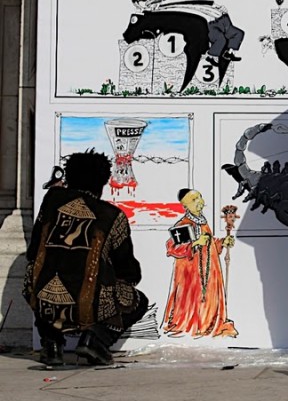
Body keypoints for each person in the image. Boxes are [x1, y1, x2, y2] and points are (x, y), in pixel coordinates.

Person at [23, 149, 149, 366]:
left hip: (42, 299)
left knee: (37, 276)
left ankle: (52, 344)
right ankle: (95, 340)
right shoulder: (112, 215)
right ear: (103, 182)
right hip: (87, 304)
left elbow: (33, 251)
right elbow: (128, 270)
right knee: (138, 300)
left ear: (69, 177)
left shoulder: (51, 200)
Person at [162, 188, 238, 338]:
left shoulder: (203, 222)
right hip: (191, 274)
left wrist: (223, 242)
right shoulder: (183, 224)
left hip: (210, 270)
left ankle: (208, 324)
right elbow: (172, 247)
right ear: (185, 205)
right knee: (192, 299)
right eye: (194, 200)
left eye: (199, 197)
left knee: (210, 298)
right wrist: (196, 243)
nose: (199, 202)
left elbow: (210, 243)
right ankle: (192, 326)